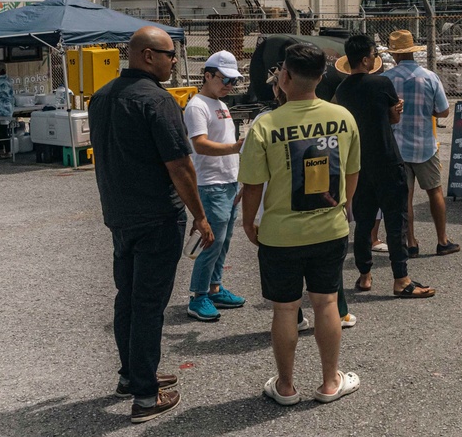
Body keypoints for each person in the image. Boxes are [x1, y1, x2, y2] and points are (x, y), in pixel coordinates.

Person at [89, 26, 215, 424]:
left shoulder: (102, 96)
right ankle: (145, 396)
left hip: (119, 212)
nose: (174, 59)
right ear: (146, 55)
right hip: (157, 214)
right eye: (169, 53)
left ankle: (132, 373)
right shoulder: (156, 100)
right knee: (148, 303)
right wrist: (200, 214)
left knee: (127, 295)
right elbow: (180, 166)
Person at [239, 43, 362, 405]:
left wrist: (249, 223)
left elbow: (252, 185)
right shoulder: (343, 117)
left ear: (285, 76)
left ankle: (286, 386)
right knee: (326, 303)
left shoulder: (266, 124)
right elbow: (352, 172)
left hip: (280, 233)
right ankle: (329, 382)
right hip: (329, 227)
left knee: (285, 309)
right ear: (322, 76)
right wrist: (344, 207)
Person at [334, 34, 435, 299]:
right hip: (387, 158)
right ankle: (401, 278)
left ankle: (364, 275)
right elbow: (392, 119)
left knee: (364, 220)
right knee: (395, 218)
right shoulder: (382, 83)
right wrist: (396, 109)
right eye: (374, 55)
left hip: (358, 162)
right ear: (366, 59)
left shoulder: (342, 89)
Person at [381, 30, 459, 257]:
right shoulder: (430, 77)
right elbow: (444, 111)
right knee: (435, 191)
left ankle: (411, 242)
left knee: (405, 197)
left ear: (394, 55)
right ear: (413, 52)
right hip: (425, 144)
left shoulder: (387, 79)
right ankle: (442, 240)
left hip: (397, 146)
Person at [183, 51, 246, 321]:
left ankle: (214, 287)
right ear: (207, 75)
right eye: (224, 79)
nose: (229, 85)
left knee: (224, 240)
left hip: (227, 182)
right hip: (211, 184)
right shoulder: (197, 105)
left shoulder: (220, 103)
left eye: (233, 81)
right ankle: (198, 296)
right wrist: (235, 147)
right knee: (212, 241)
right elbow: (199, 144)